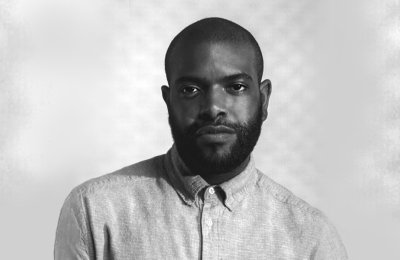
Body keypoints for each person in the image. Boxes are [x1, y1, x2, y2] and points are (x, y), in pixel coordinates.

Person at [54, 17, 347, 259]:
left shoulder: (310, 238)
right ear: (169, 102)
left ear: (264, 99)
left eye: (236, 87)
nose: (213, 108)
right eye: (191, 90)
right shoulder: (94, 211)